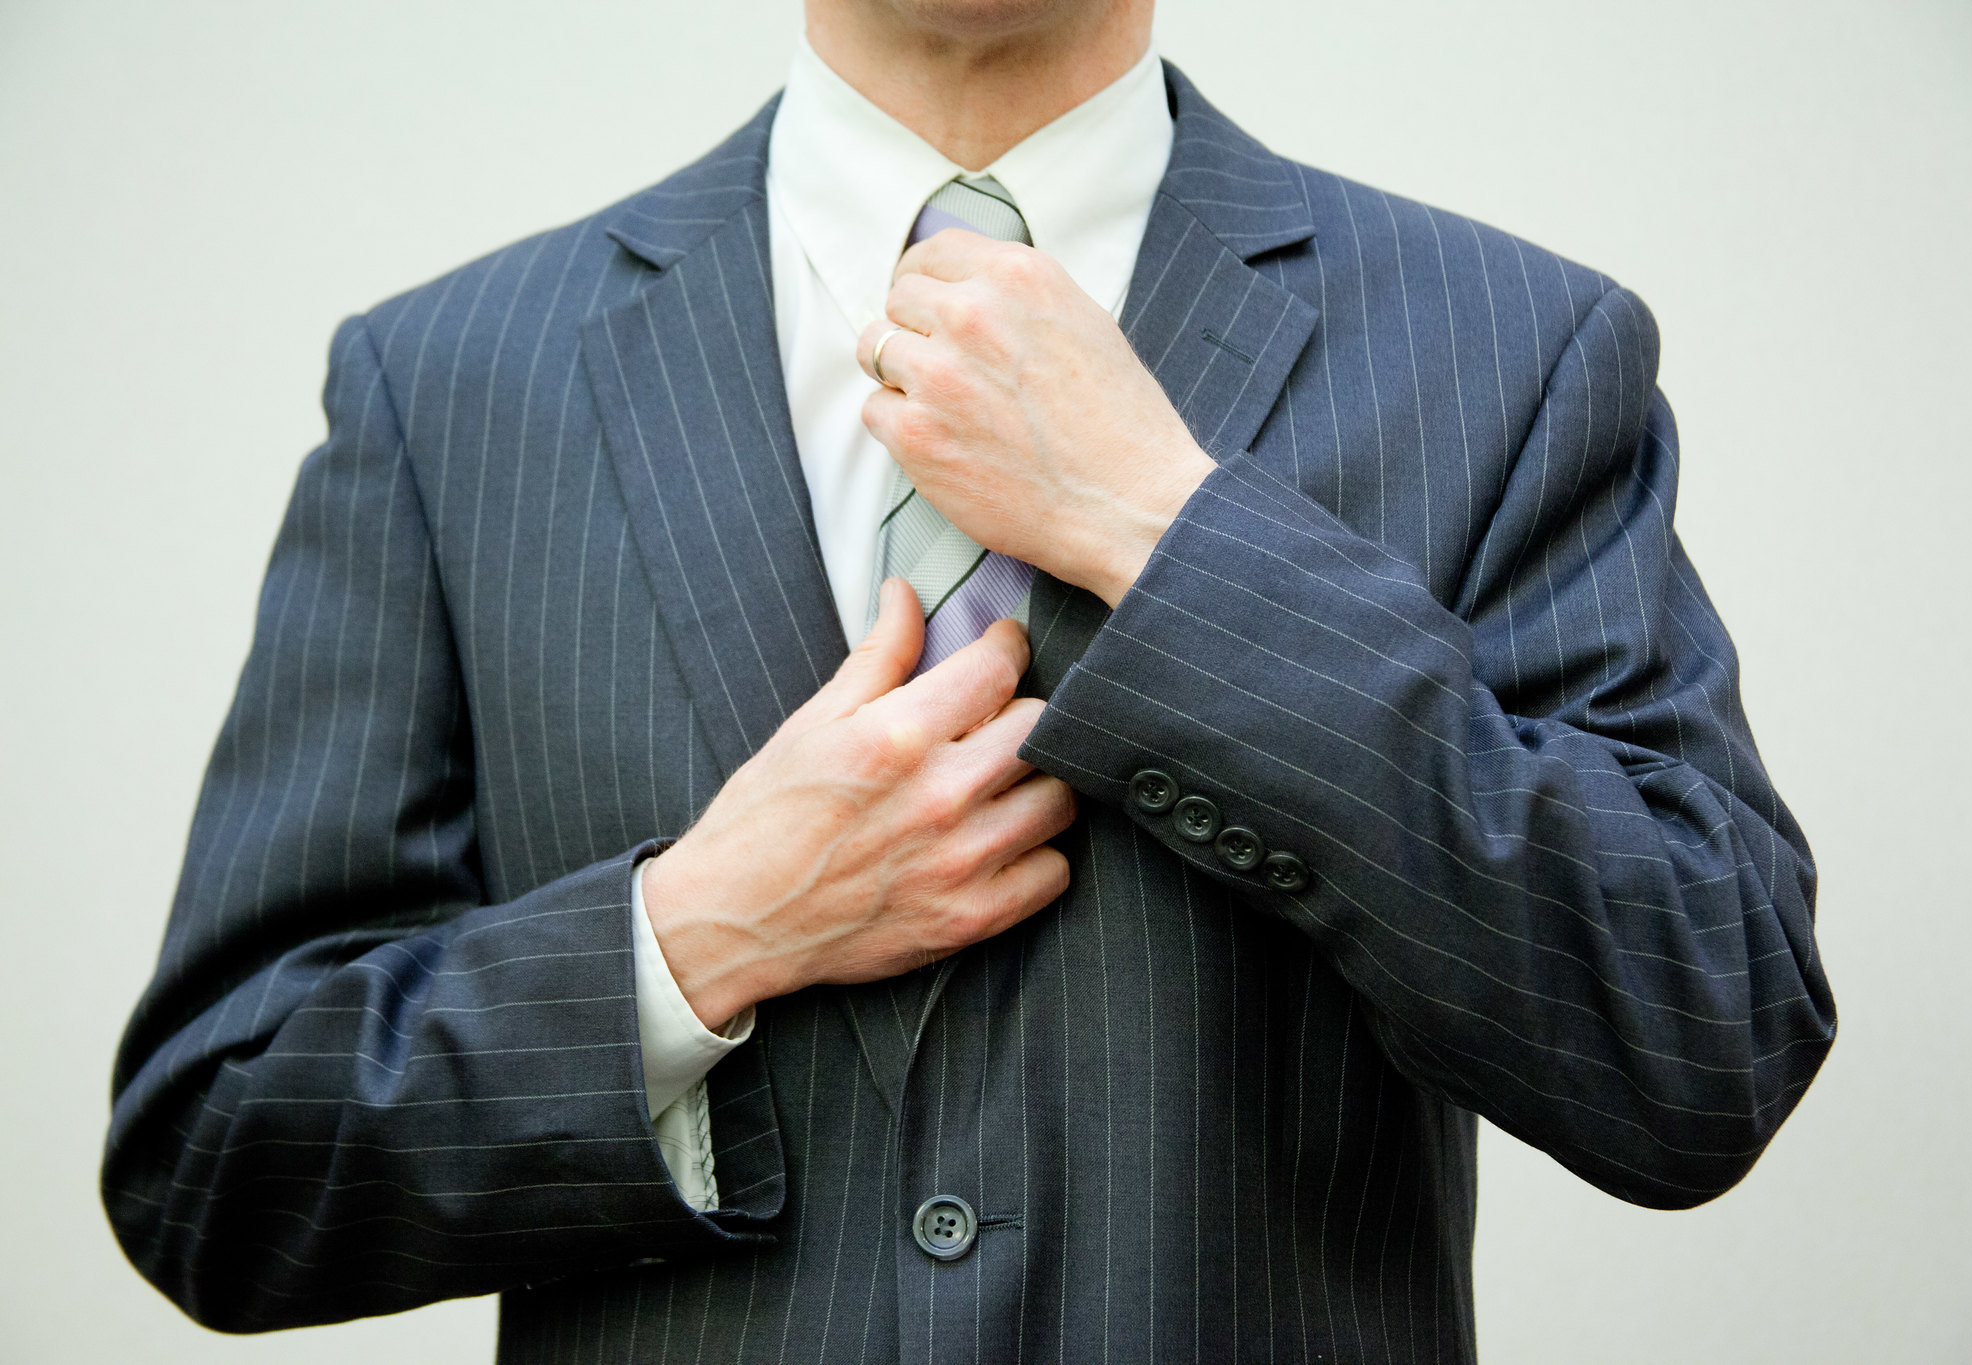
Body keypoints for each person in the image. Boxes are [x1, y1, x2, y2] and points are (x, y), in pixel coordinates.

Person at [102, 0, 1837, 1359]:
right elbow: (220, 1155)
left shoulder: (1514, 349)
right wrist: (696, 938)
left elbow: (1702, 1036)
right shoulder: (452, 386)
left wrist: (1170, 536)